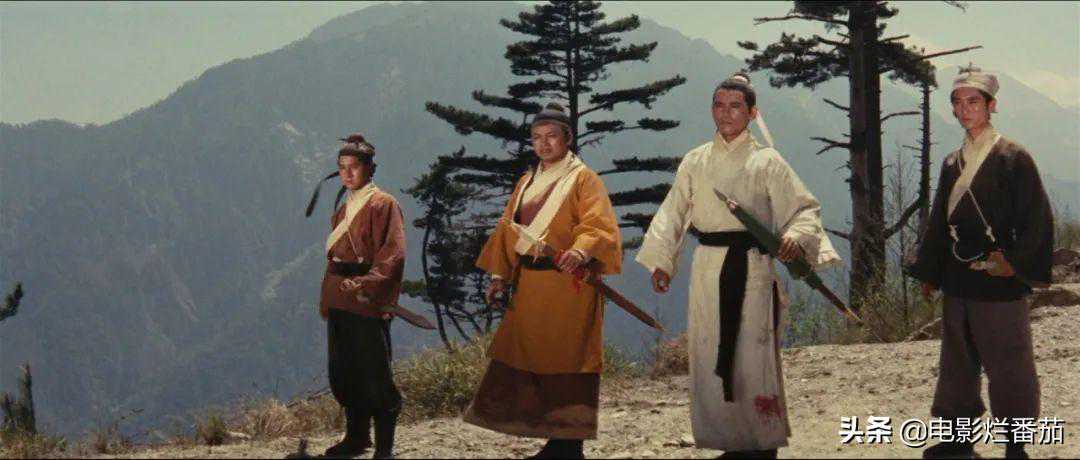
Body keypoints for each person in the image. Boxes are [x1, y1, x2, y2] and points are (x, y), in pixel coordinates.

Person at [635, 72, 841, 458]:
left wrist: (795, 236)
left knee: (751, 353)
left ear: (752, 113)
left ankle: (761, 443)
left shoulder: (767, 161)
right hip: (707, 267)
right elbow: (673, 212)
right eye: (719, 105)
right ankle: (730, 441)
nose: (725, 113)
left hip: (752, 266)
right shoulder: (695, 160)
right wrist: (662, 261)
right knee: (709, 348)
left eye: (735, 106)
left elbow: (803, 209)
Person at [906, 65, 1053, 460]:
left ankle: (1015, 445)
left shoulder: (1013, 157)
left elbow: (1037, 218)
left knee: (1009, 362)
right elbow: (939, 219)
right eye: (958, 102)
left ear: (991, 105)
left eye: (973, 101)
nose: (964, 109)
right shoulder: (952, 162)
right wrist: (930, 270)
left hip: (999, 276)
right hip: (958, 275)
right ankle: (956, 439)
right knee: (956, 364)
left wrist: (1015, 264)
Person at [462, 103, 622, 459]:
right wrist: (500, 276)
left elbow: (598, 224)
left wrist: (580, 251)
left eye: (551, 136)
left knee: (568, 361)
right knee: (526, 357)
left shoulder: (584, 179)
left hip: (568, 285)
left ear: (568, 138)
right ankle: (551, 438)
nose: (544, 144)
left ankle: (569, 443)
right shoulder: (527, 181)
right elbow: (508, 229)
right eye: (537, 137)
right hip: (530, 286)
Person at [307, 133, 407, 459]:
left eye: (354, 166)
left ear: (369, 168)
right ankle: (357, 437)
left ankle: (385, 448)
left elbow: (393, 254)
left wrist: (367, 283)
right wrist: (329, 293)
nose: (347, 173)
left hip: (366, 298)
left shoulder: (384, 204)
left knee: (374, 371)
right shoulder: (344, 208)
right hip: (341, 296)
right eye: (342, 167)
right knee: (345, 370)